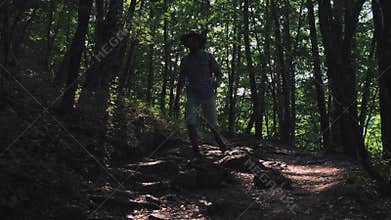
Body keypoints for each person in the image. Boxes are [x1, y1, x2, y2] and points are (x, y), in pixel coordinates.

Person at [174, 30, 226, 157]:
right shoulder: (185, 60)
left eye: (195, 40)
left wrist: (216, 83)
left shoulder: (208, 57)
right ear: (186, 43)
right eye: (189, 40)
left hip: (208, 94)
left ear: (199, 42)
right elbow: (181, 79)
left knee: (212, 123)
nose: (192, 42)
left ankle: (222, 146)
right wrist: (176, 100)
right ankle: (196, 150)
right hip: (192, 95)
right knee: (190, 122)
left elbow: (219, 74)